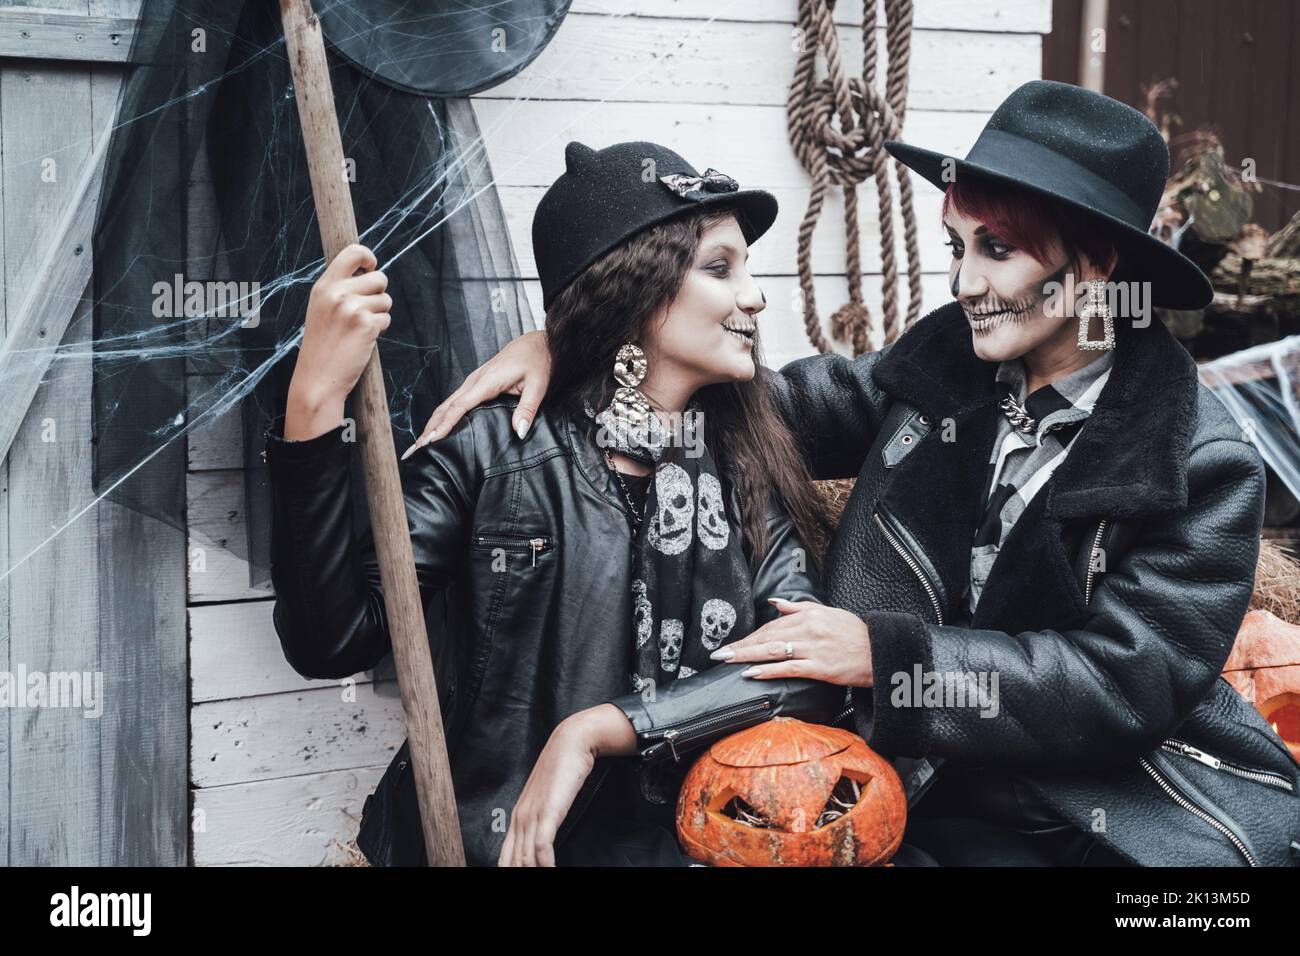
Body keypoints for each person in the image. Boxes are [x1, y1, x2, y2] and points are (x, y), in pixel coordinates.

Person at [413, 81, 1300, 866]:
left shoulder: (1200, 462)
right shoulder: (945, 367)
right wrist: (594, 340)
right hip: (912, 785)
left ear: (1099, 265)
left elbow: (1119, 686)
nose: (962, 281)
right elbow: (764, 406)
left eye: (998, 251)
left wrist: (885, 657)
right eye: (957, 245)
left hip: (1098, 818)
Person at [264, 139, 880, 867]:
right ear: (634, 290)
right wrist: (313, 401)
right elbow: (331, 639)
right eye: (720, 268)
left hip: (683, 847)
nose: (754, 295)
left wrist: (601, 727)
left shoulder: (744, 452)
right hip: (489, 844)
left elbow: (799, 668)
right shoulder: (492, 448)